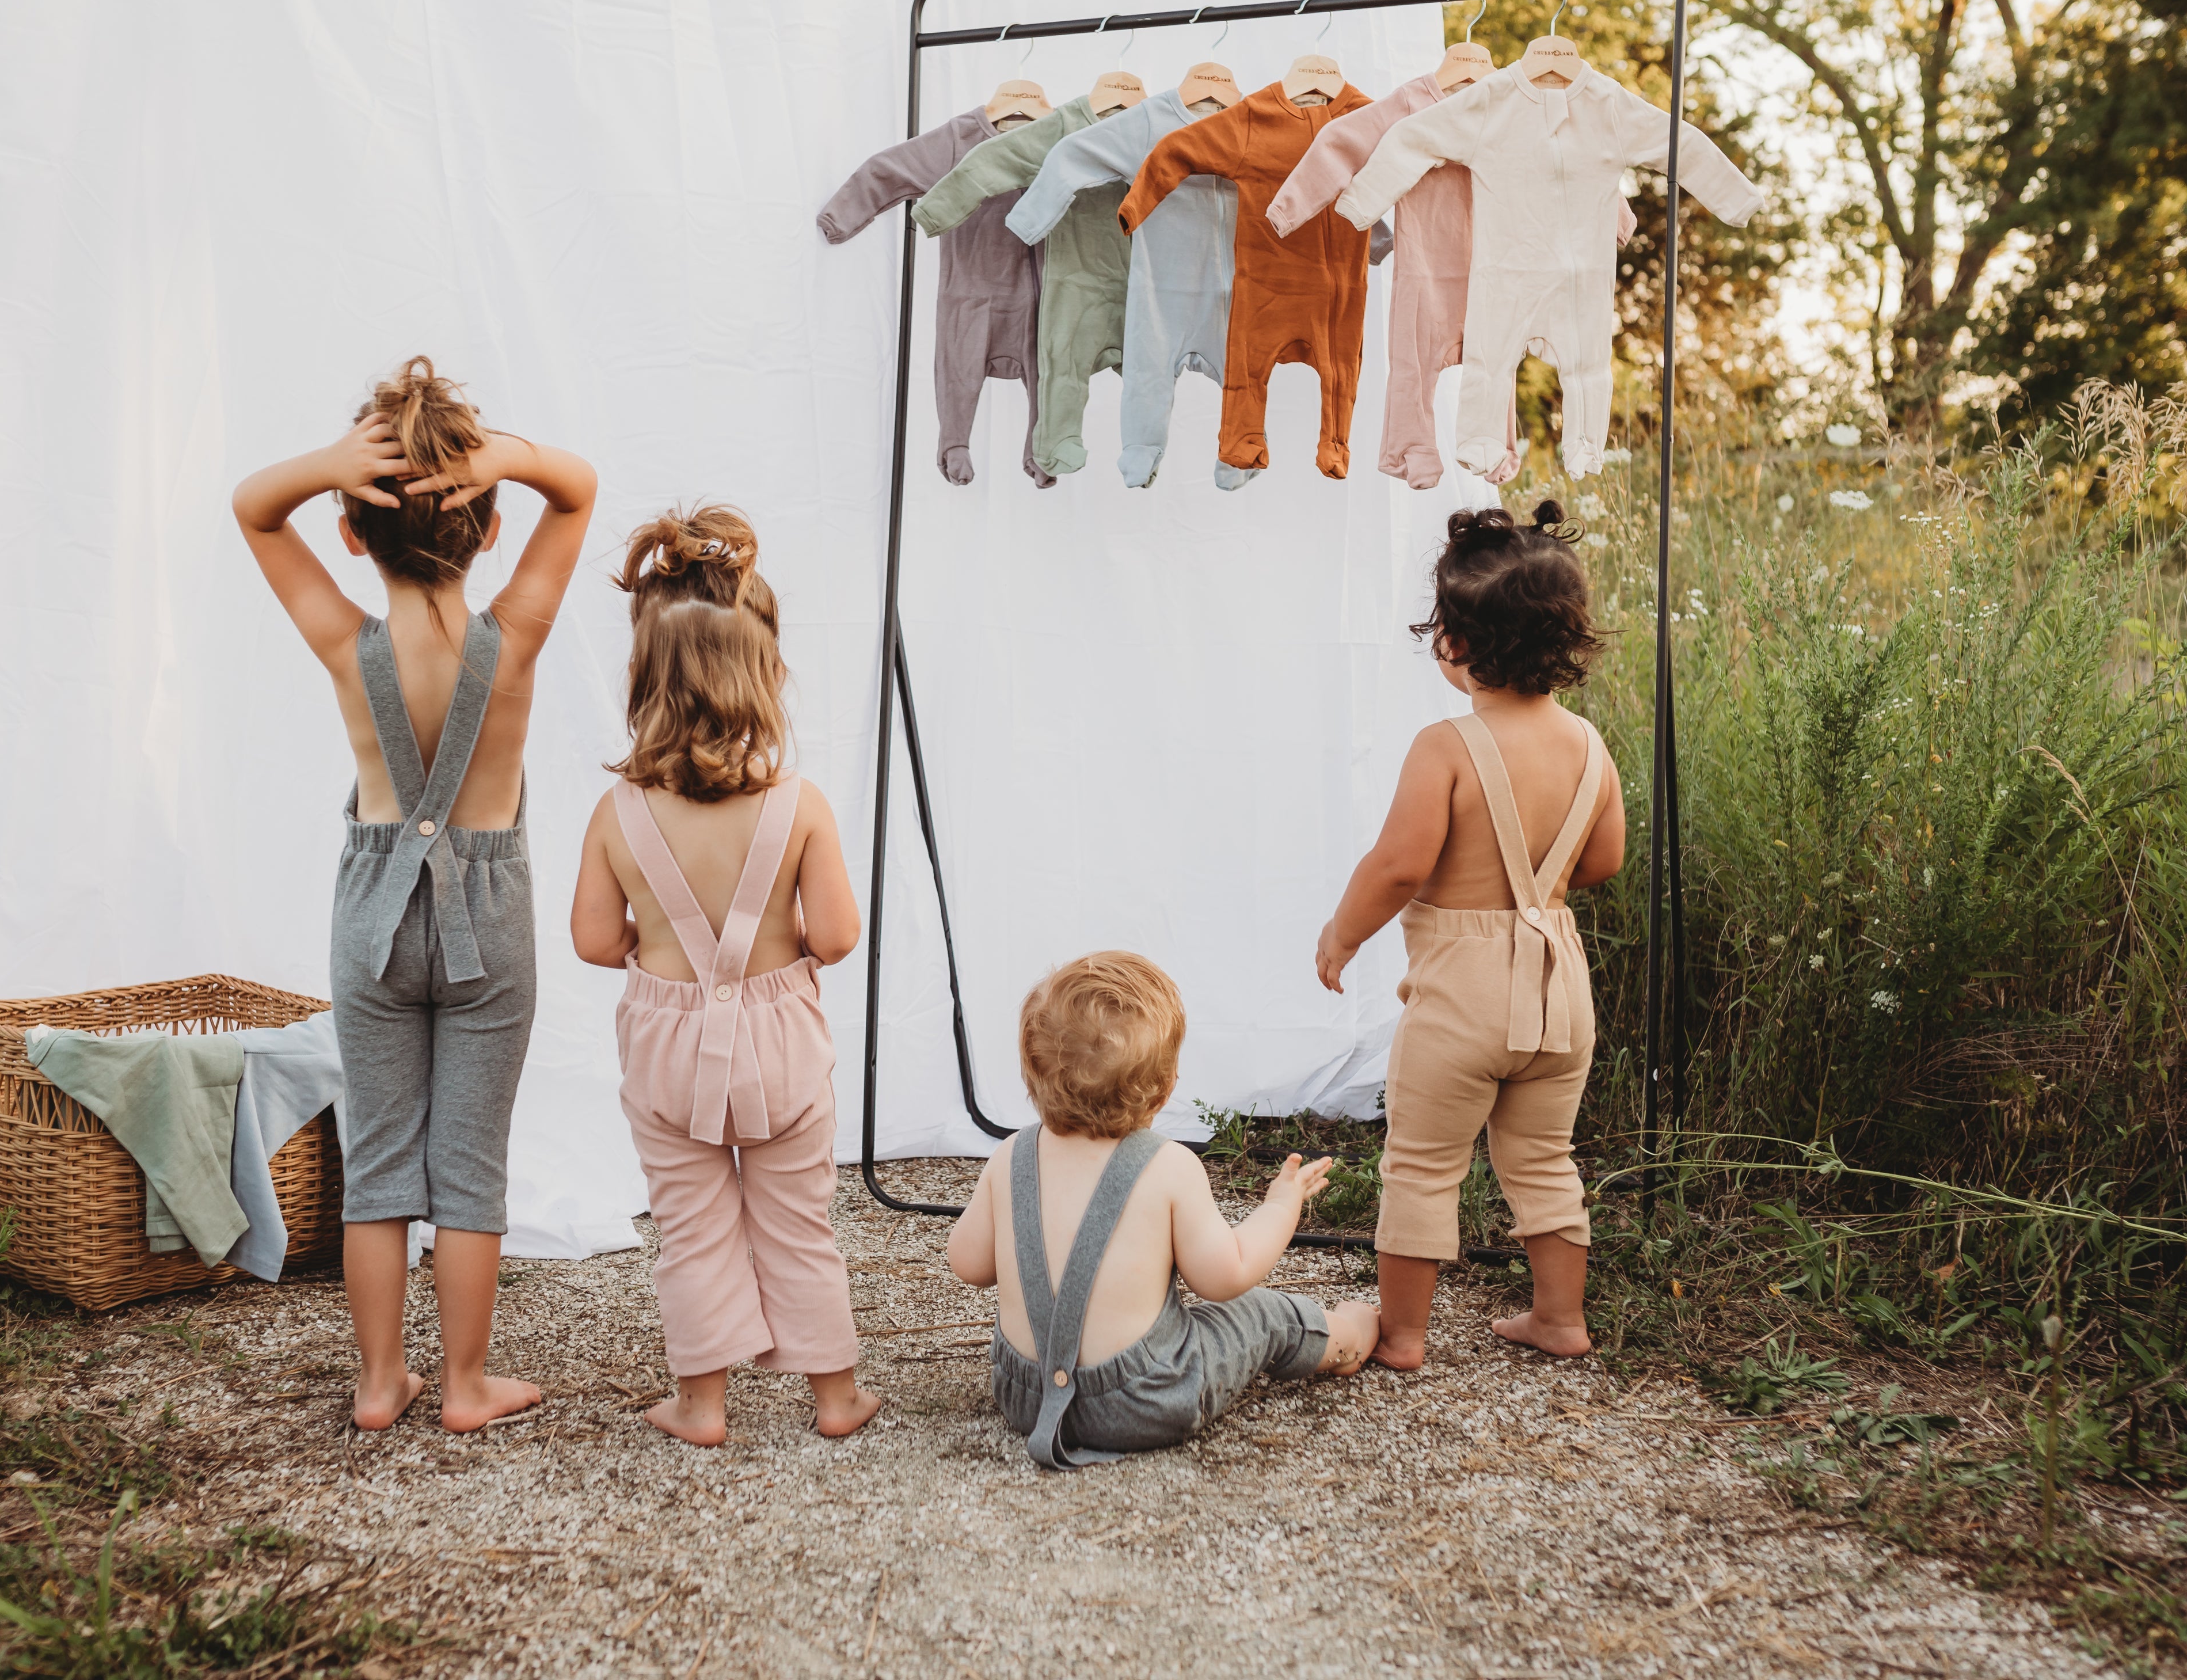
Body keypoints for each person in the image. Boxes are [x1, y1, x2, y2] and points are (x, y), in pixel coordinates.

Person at [233, 356, 596, 1431]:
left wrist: (331, 465)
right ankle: (468, 1382)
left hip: (371, 917)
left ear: (350, 532)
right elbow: (575, 487)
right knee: (469, 1159)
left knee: (381, 1155)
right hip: (491, 919)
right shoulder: (515, 637)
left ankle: (381, 1378)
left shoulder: (351, 647)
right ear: (490, 530)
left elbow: (254, 515)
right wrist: (504, 457)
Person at [569, 506, 878, 1447]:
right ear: (766, 674)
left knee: (692, 1228)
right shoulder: (801, 804)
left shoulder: (616, 811)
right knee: (798, 1222)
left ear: (642, 678)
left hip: (666, 1043)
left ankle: (701, 1403)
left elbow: (590, 939)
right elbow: (835, 934)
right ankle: (835, 1397)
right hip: (780, 1042)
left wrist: (654, 937)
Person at [1314, 501, 1626, 1370]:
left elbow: (1399, 866)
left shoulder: (1445, 747)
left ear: (1452, 643)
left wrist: (1344, 933)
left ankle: (1405, 1335)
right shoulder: (1590, 747)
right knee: (1543, 1158)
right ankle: (1561, 1319)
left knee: (1419, 1163)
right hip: (1559, 988)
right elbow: (1604, 861)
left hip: (1462, 996)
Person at [947, 952, 1378, 1470]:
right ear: (1168, 1084)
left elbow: (968, 1265)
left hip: (1027, 1396)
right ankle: (1349, 1340)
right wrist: (1281, 1206)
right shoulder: (1169, 1167)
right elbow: (1227, 1275)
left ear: (1031, 1071)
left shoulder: (1009, 1157)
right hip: (1144, 1400)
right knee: (1262, 1314)